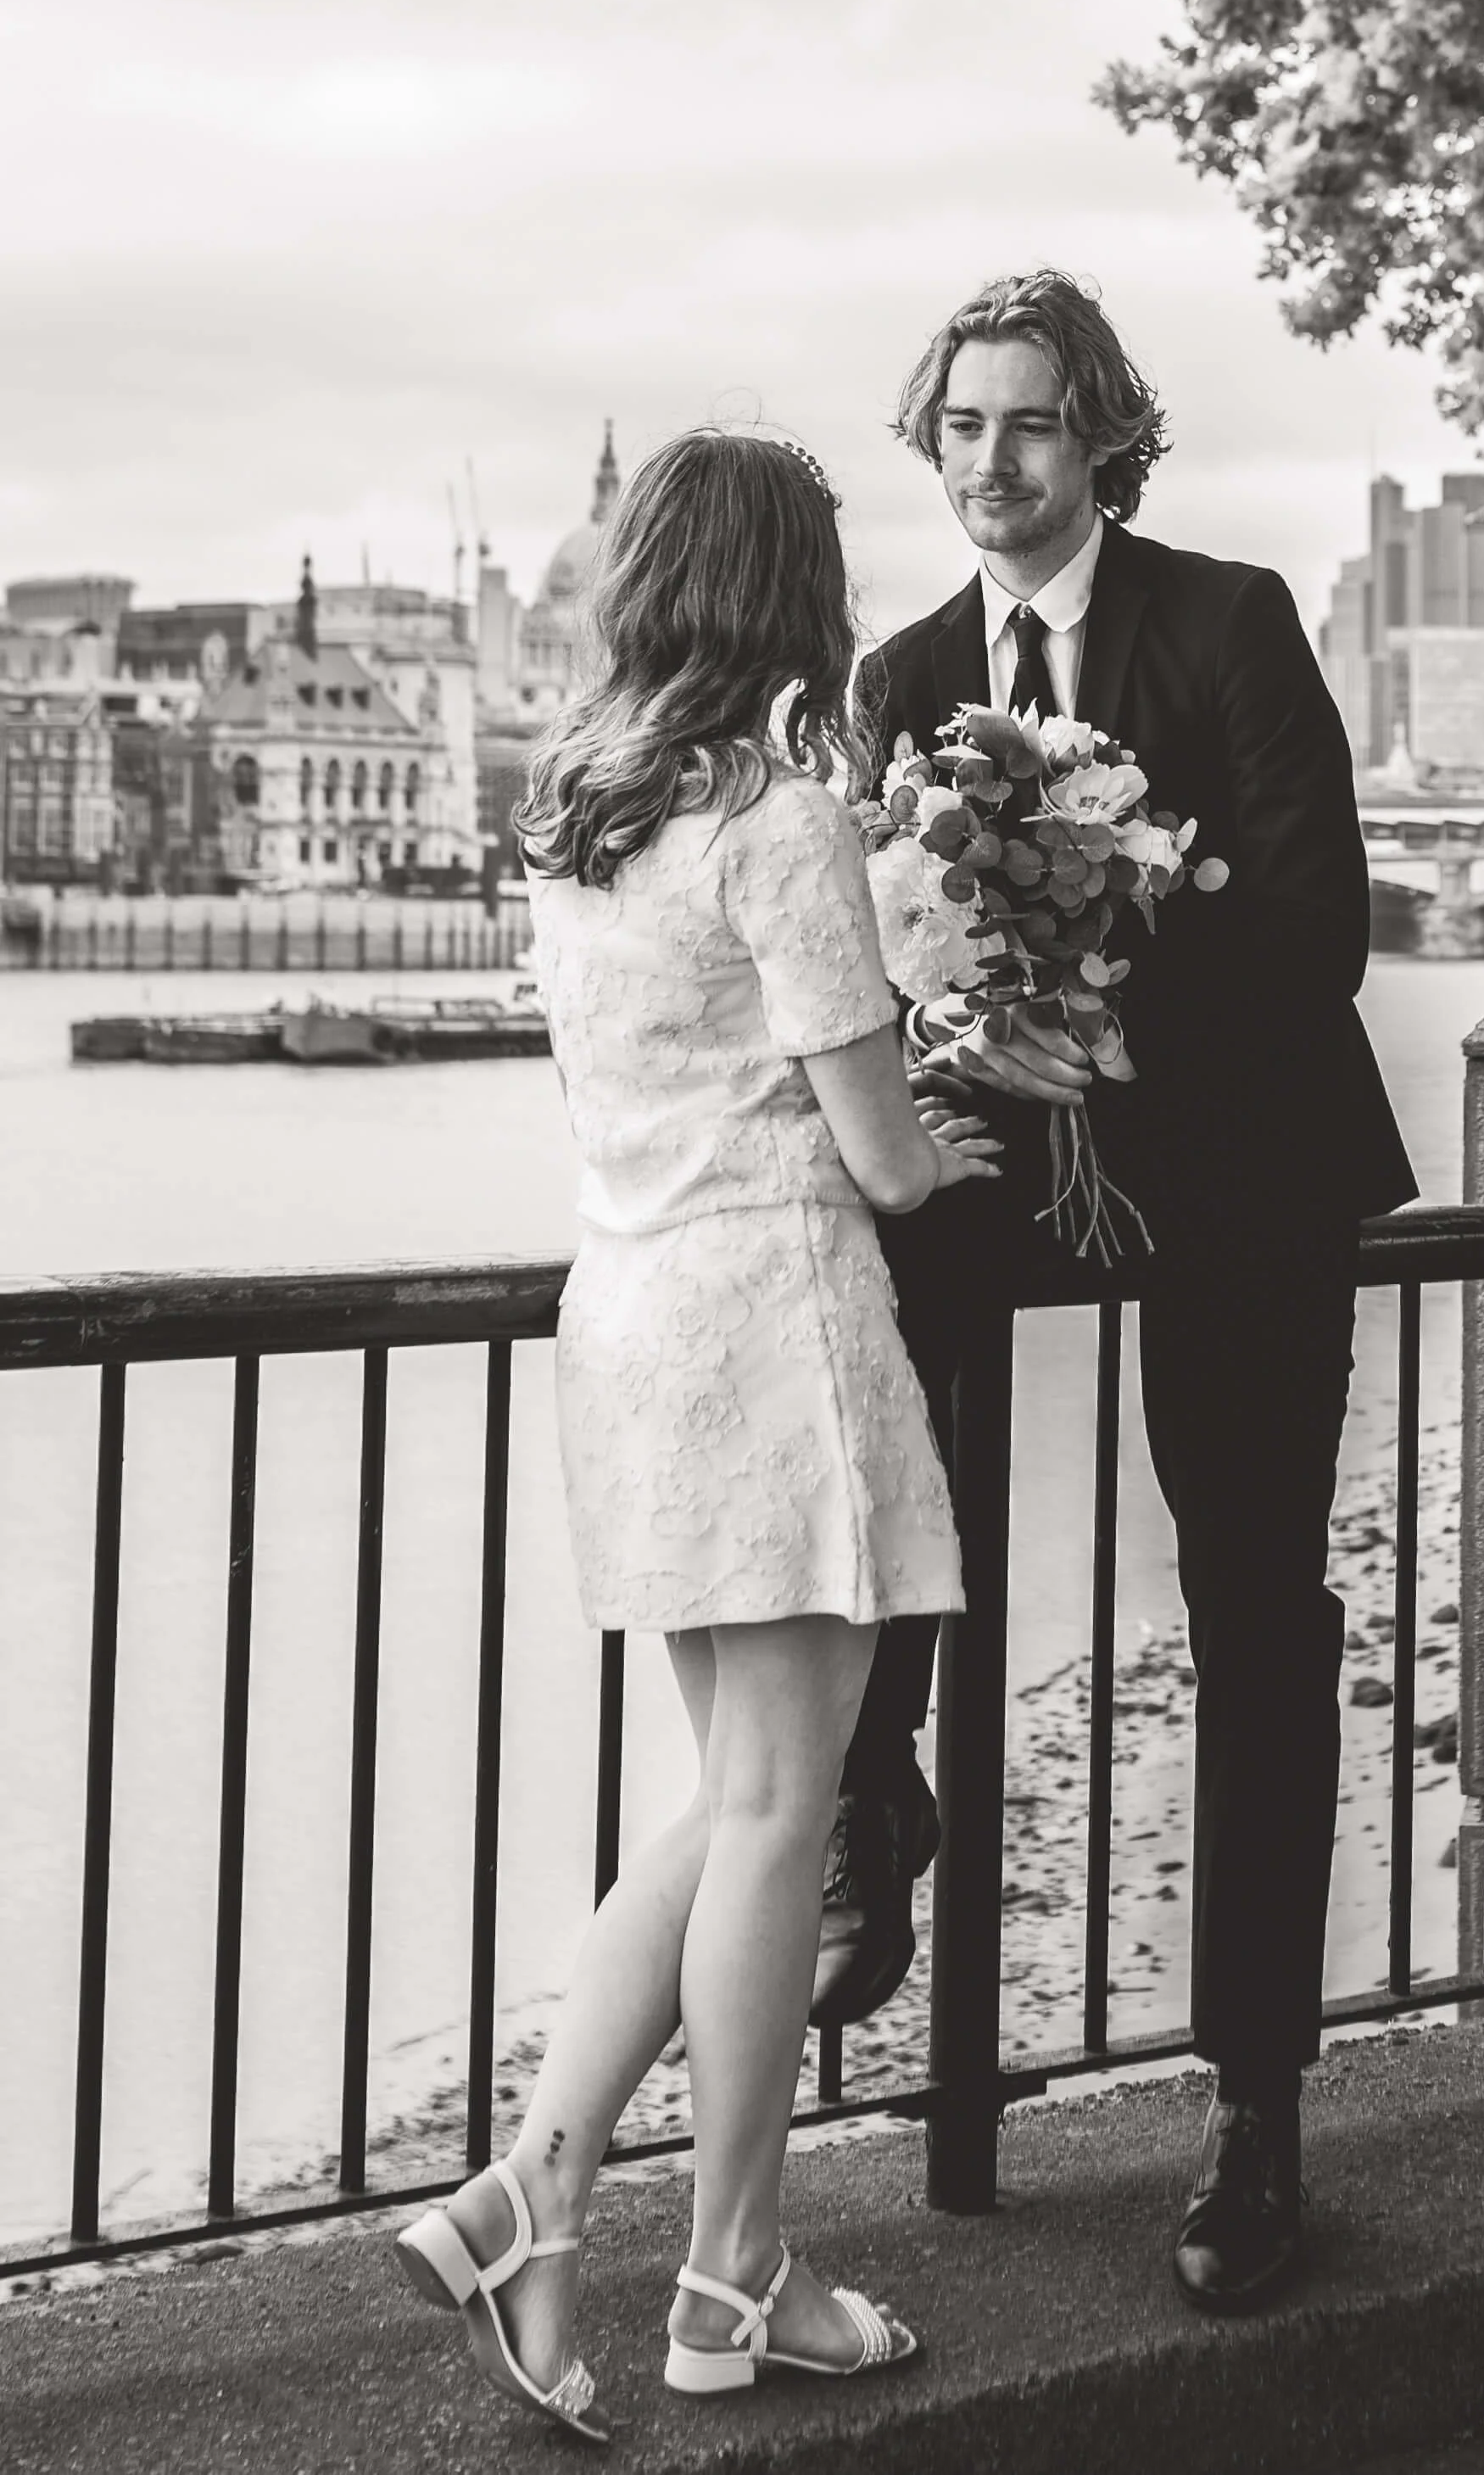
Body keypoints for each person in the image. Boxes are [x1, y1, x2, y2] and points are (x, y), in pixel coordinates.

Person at [811, 271, 1418, 2314]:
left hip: (1237, 1163)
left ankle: (1255, 2105)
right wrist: (963, 1057)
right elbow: (869, 965)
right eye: (965, 425)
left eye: (1034, 424)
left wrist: (1113, 1029)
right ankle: (867, 1792)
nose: (995, 462)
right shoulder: (900, 676)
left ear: (1105, 440)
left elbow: (1317, 925)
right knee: (863, 1323)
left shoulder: (1228, 619)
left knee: (1253, 1600)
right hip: (1006, 1164)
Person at [393, 427, 997, 2436]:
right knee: (781, 1807)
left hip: (628, 1318)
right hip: (772, 1324)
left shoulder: (575, 813)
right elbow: (889, 1162)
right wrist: (950, 1109)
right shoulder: (776, 813)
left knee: (740, 1793)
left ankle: (537, 2187)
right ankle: (730, 2268)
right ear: (787, 594)